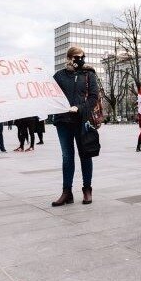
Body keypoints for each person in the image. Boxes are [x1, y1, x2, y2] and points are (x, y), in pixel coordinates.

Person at [51, 46, 98, 206]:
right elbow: (51, 95)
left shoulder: (88, 74)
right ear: (69, 58)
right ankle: (67, 192)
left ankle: (87, 189)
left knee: (85, 155)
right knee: (67, 157)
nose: (80, 60)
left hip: (82, 120)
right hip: (63, 121)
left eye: (82, 57)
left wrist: (79, 107)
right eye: (77, 57)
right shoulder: (59, 76)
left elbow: (93, 98)